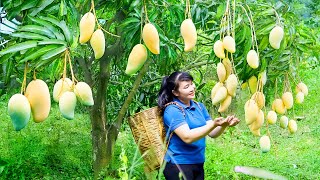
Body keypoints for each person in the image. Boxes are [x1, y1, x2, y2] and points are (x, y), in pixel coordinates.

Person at [157, 71, 240, 180]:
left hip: (198, 163)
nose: (192, 88)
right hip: (178, 165)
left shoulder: (199, 106)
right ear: (175, 92)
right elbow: (187, 137)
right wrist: (214, 124)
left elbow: (212, 133)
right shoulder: (172, 110)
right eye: (187, 87)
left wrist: (224, 124)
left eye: (192, 84)